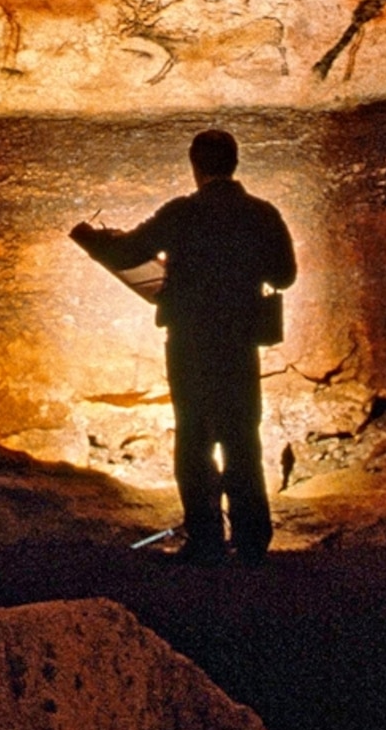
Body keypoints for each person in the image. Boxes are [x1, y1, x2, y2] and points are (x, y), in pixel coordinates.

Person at [71, 127, 296, 564]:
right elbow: (284, 275)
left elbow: (128, 253)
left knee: (194, 437)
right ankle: (252, 540)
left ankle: (206, 539)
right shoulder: (261, 214)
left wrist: (96, 239)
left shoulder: (181, 213)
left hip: (190, 341)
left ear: (195, 166)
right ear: (235, 163)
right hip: (239, 341)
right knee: (241, 436)